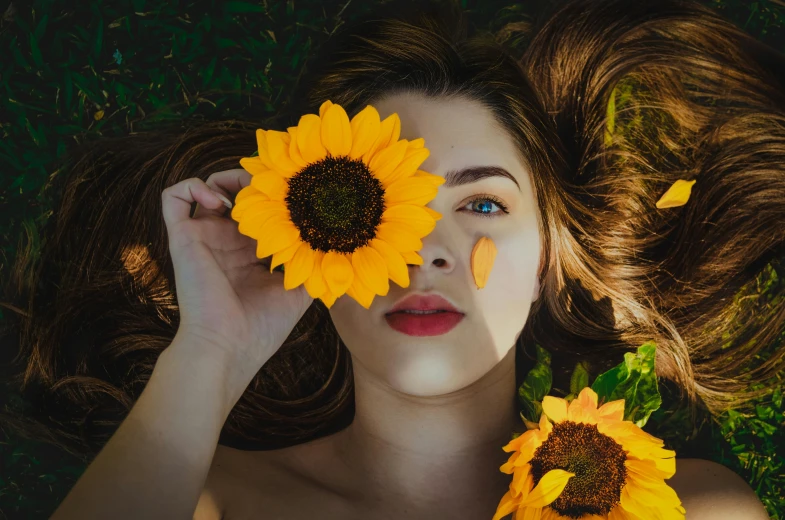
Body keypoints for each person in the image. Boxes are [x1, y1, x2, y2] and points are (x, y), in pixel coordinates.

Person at [1, 0, 781, 518]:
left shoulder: (690, 511)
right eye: (374, 209)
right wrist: (212, 350)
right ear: (307, 248)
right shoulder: (209, 502)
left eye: (480, 205)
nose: (425, 257)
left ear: (551, 251)